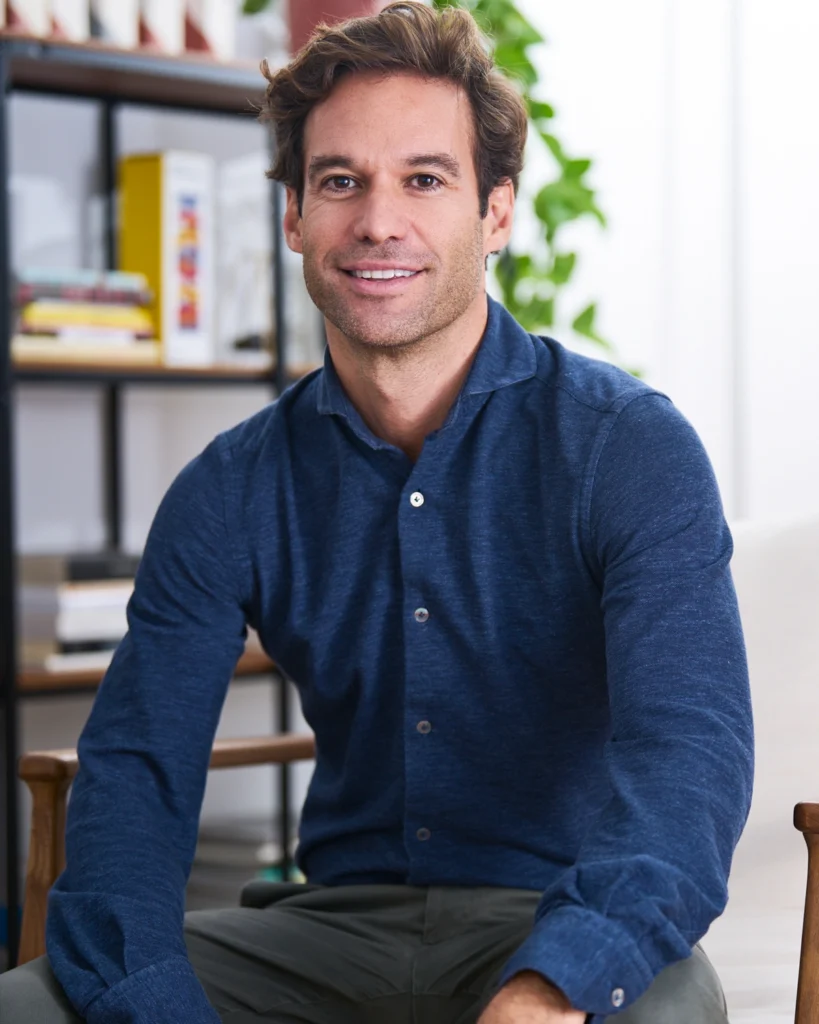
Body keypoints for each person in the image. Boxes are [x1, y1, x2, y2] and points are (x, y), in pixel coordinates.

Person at [0, 3, 753, 1022]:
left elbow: (687, 763)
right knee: (35, 1005)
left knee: (663, 1011)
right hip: (325, 933)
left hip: (554, 918)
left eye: (425, 179)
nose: (377, 221)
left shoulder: (628, 448)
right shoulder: (229, 488)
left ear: (496, 212)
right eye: (340, 180)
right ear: (294, 217)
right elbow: (134, 783)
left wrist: (551, 983)